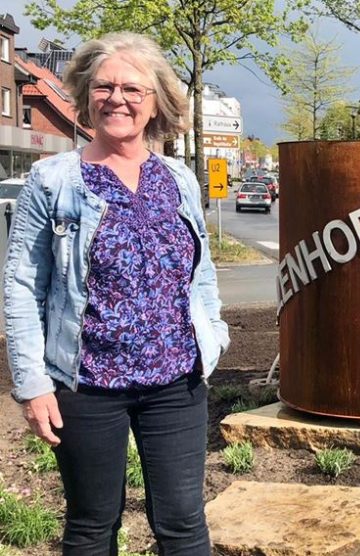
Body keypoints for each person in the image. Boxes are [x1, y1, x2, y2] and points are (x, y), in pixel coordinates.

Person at [3, 32, 229, 553]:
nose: (117, 99)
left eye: (133, 89)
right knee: (91, 524)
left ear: (156, 103)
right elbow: (21, 287)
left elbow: (202, 272)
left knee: (184, 525)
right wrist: (33, 384)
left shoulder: (179, 179)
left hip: (176, 381)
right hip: (86, 386)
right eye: (104, 87)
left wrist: (212, 335)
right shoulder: (54, 180)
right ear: (86, 94)